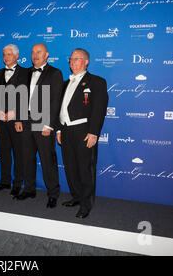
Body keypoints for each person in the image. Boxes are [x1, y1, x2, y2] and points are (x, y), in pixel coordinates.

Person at [56, 48, 108, 219]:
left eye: (77, 59)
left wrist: (94, 132)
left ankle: (86, 205)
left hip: (84, 131)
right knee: (70, 167)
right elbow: (59, 109)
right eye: (71, 59)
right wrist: (58, 129)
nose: (72, 62)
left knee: (85, 169)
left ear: (86, 62)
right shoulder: (65, 83)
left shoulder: (96, 82)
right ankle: (76, 197)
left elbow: (99, 109)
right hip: (66, 130)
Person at [15, 44, 63, 208]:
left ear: (47, 55)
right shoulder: (26, 72)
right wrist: (19, 119)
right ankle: (29, 189)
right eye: (33, 52)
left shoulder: (55, 73)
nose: (35, 55)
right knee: (27, 158)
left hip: (43, 122)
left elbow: (56, 101)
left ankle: (53, 194)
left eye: (39, 52)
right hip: (26, 121)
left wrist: (49, 125)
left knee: (47, 159)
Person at [0, 44, 28, 197]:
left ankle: (17, 184)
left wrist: (15, 114)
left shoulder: (26, 72)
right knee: (4, 152)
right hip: (1, 120)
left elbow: (26, 96)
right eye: (4, 54)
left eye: (9, 54)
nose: (6, 57)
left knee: (18, 153)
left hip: (17, 120)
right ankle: (5, 181)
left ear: (17, 56)